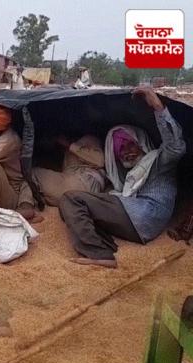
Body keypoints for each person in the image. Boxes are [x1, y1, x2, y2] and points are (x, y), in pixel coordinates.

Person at [59, 86, 186, 268]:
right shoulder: (132, 176)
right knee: (76, 210)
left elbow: (176, 147)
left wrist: (159, 107)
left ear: (140, 143)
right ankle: (106, 246)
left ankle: (100, 254)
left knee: (71, 199)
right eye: (120, 150)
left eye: (129, 145)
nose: (126, 152)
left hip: (145, 215)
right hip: (142, 224)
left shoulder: (158, 161)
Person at [32, 134, 106, 206]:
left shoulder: (89, 138)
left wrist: (69, 145)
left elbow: (99, 161)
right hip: (80, 189)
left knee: (32, 172)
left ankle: (26, 205)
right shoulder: (65, 154)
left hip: (83, 183)